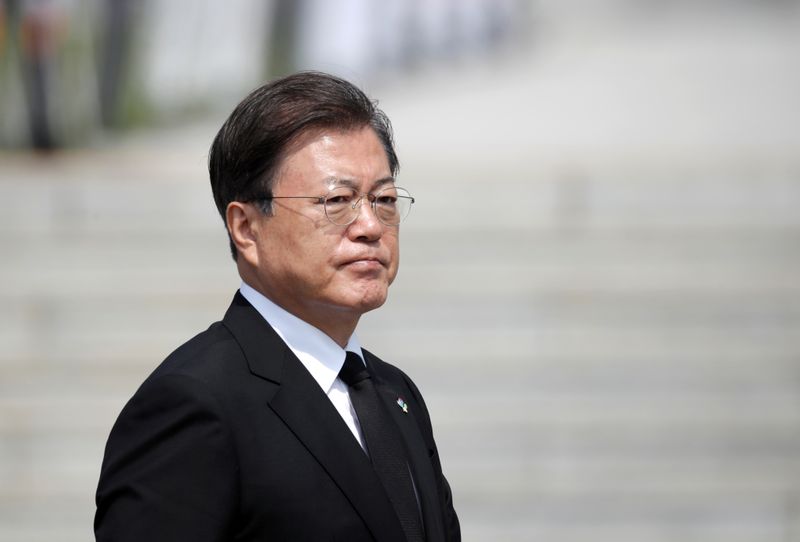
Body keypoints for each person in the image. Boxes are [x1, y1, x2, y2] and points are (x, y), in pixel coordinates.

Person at [94, 71, 460, 542]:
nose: (370, 224)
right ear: (246, 228)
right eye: (338, 200)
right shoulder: (195, 404)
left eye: (384, 199)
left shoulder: (394, 393)